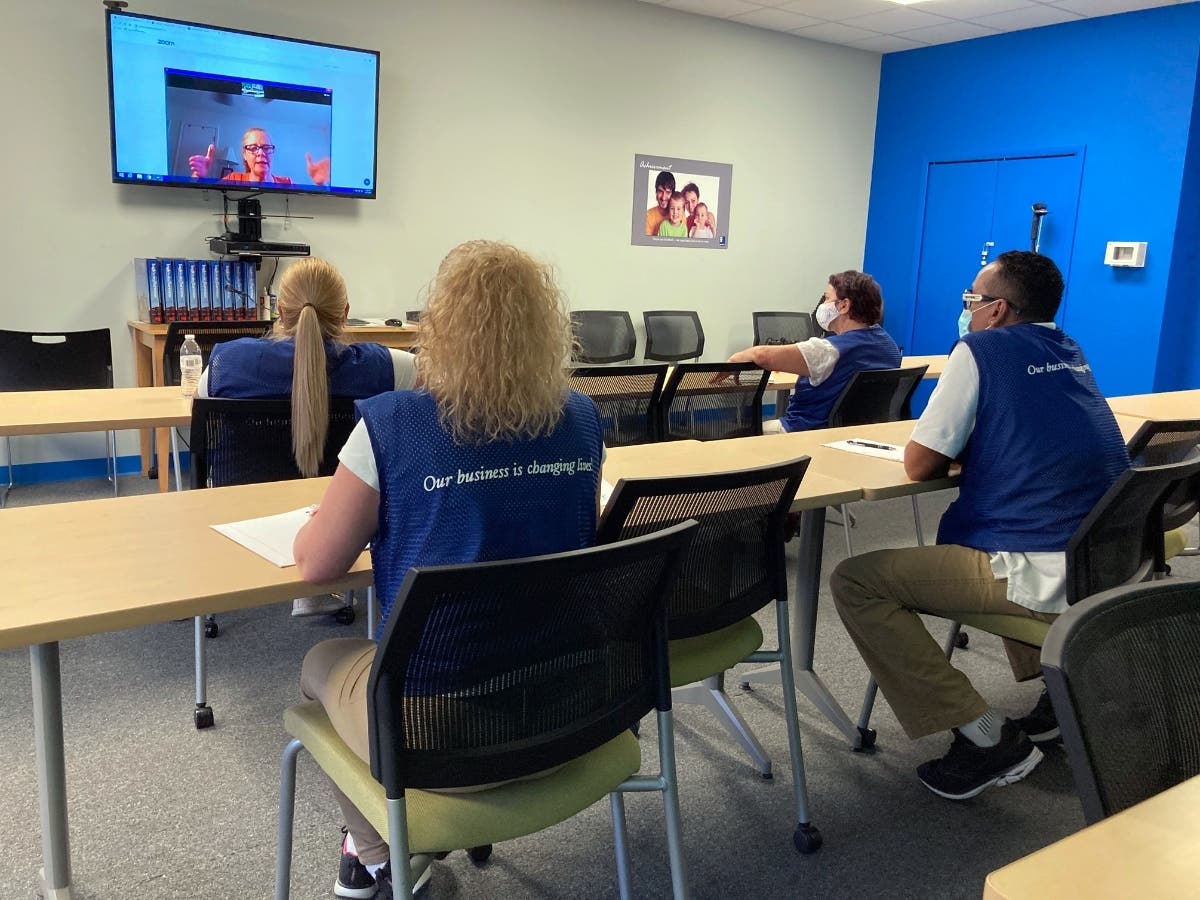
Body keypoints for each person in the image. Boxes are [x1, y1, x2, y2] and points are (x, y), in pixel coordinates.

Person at [292, 240, 604, 898]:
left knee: (318, 663)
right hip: (570, 707)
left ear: (440, 327)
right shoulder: (581, 419)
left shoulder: (393, 425)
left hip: (437, 734)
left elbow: (318, 565)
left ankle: (379, 853)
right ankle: (381, 852)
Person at [829, 250, 1129, 801]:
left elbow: (920, 464)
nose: (967, 309)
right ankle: (1060, 699)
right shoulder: (1068, 349)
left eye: (973, 298)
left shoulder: (979, 349)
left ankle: (986, 739)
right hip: (1103, 554)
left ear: (997, 310)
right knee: (978, 533)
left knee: (856, 580)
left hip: (1037, 566)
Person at [199, 257, 418, 616]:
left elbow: (200, 408)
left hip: (242, 505)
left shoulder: (227, 362)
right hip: (343, 510)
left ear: (280, 313)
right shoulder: (392, 367)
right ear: (345, 313)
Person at [725, 271, 901, 432]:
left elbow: (762, 355)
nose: (822, 305)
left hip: (805, 432)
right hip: (855, 436)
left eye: (827, 298)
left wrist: (736, 358)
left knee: (733, 436)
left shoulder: (828, 350)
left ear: (844, 305)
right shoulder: (889, 346)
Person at [188, 127, 331, 186]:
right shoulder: (233, 180)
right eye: (253, 148)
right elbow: (206, 203)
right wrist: (198, 178)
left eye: (266, 148)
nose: (261, 153)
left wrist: (320, 185)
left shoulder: (286, 183)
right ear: (244, 154)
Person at [645, 170, 675, 236]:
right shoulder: (648, 216)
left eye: (668, 192)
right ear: (656, 192)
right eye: (660, 191)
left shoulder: (679, 215)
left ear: (672, 194)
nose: (663, 197)